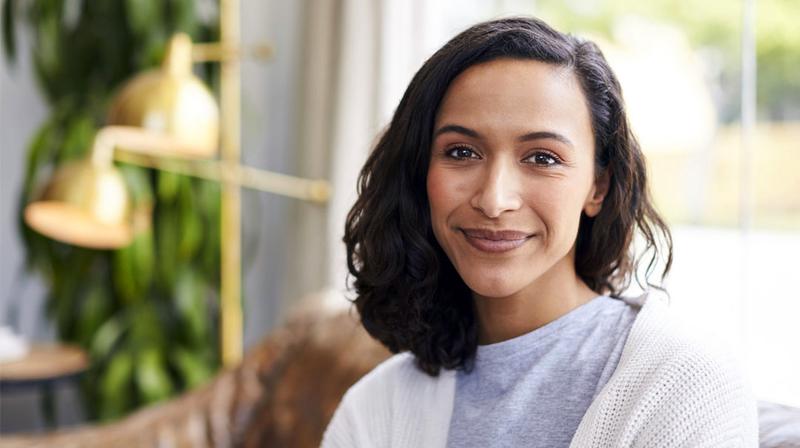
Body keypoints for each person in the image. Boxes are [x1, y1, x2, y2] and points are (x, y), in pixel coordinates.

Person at [322, 16, 758, 447]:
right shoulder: (376, 407)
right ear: (421, 173)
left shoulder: (683, 381)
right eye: (461, 151)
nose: (494, 200)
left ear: (598, 187)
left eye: (542, 158)